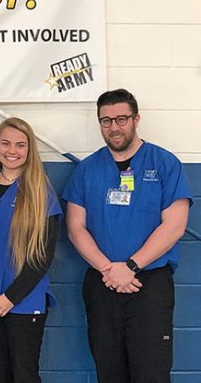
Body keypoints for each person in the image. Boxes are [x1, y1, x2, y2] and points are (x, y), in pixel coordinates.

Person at [63, 88, 192, 383]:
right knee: (109, 372)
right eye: (106, 120)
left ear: (136, 119)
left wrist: (131, 266)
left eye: (121, 119)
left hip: (149, 283)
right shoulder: (87, 169)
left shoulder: (164, 163)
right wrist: (109, 269)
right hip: (103, 282)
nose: (114, 127)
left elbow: (174, 226)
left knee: (152, 373)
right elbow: (75, 227)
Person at [0, 117, 61, 383]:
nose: (12, 150)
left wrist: (10, 298)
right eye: (6, 143)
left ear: (30, 150)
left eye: (21, 145)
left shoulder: (40, 192)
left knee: (24, 375)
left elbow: (42, 256)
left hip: (24, 302)